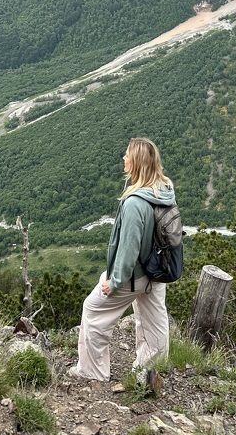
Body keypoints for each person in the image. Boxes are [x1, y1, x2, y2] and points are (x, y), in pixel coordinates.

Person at [69, 136, 175, 382]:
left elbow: (129, 248)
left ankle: (92, 371)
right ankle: (149, 372)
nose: (124, 158)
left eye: (127, 154)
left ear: (136, 162)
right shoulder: (165, 191)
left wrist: (115, 281)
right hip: (158, 270)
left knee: (93, 310)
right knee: (154, 322)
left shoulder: (135, 203)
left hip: (134, 276)